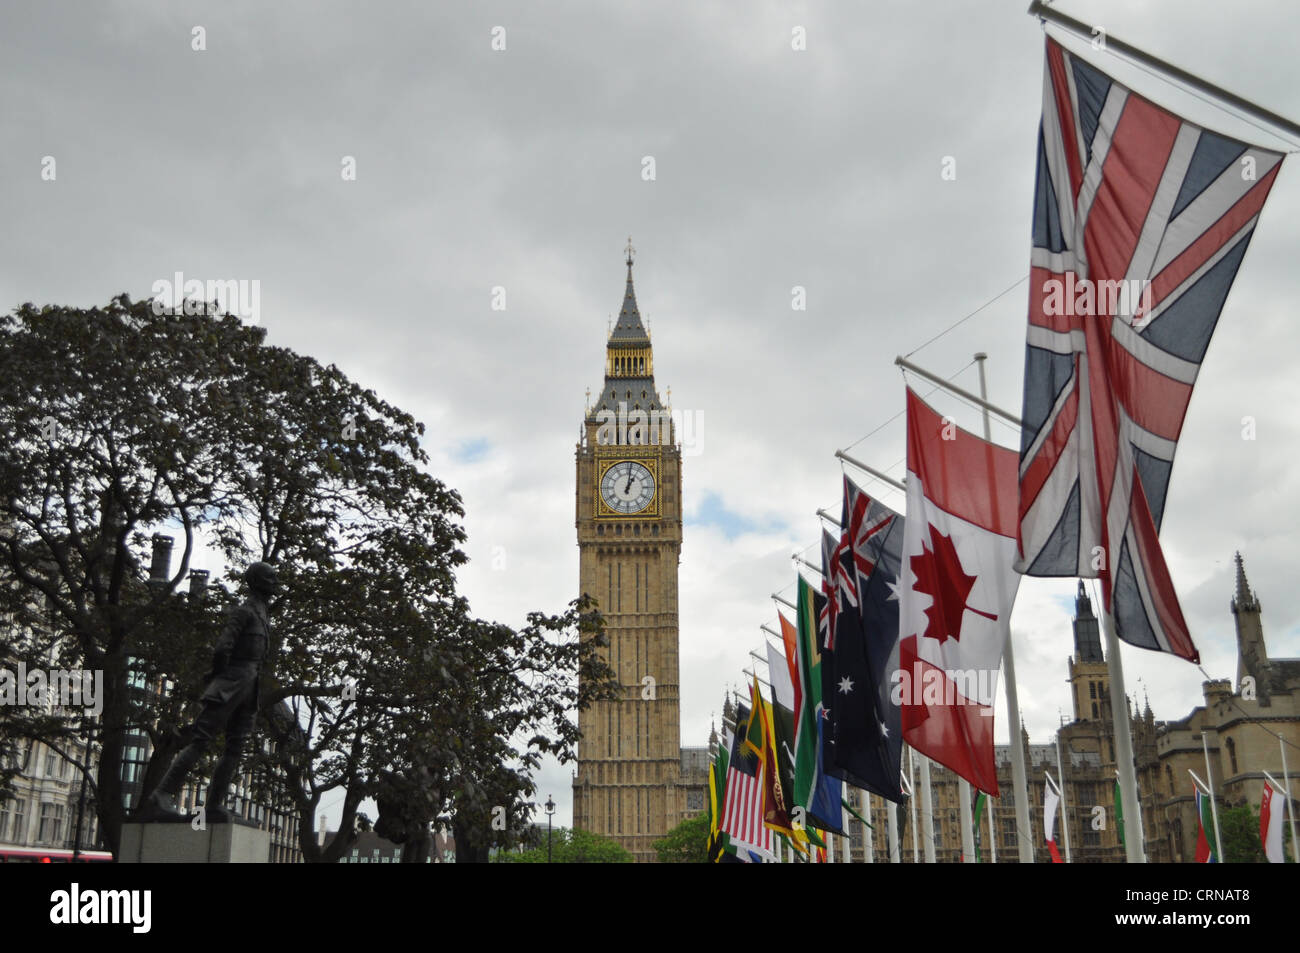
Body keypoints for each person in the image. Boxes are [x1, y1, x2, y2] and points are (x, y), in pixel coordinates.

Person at [140, 561, 278, 822]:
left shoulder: (262, 613)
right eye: (272, 578)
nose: (276, 583)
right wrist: (221, 679)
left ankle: (214, 804)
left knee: (235, 748)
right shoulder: (244, 611)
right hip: (232, 683)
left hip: (250, 686)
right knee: (201, 740)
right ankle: (161, 795)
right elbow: (221, 648)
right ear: (258, 581)